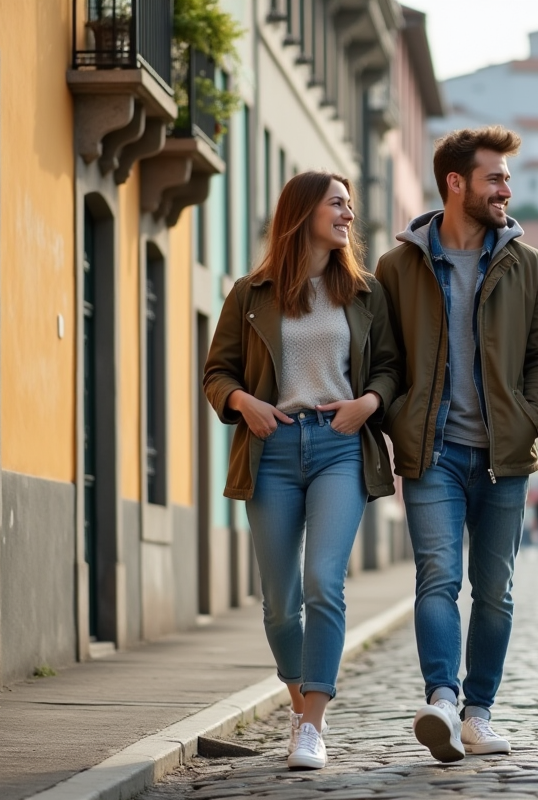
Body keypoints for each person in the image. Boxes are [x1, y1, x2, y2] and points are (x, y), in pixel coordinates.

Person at [203, 171, 399, 770]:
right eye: (336, 204)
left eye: (349, 205)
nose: (347, 215)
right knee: (281, 603)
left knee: (323, 583)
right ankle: (300, 703)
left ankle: (311, 725)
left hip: (340, 447)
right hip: (273, 452)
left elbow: (390, 370)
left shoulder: (364, 292)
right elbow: (218, 373)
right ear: (303, 212)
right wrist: (244, 403)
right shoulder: (251, 292)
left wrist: (367, 404)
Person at [375, 126, 538, 762]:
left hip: (504, 455)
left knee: (495, 590)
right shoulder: (398, 266)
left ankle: (479, 711)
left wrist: (529, 416)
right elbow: (386, 357)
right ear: (456, 185)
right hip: (433, 451)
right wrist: (399, 417)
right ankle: (443, 702)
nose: (507, 189)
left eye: (506, 177)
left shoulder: (530, 267)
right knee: (437, 578)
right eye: (495, 178)